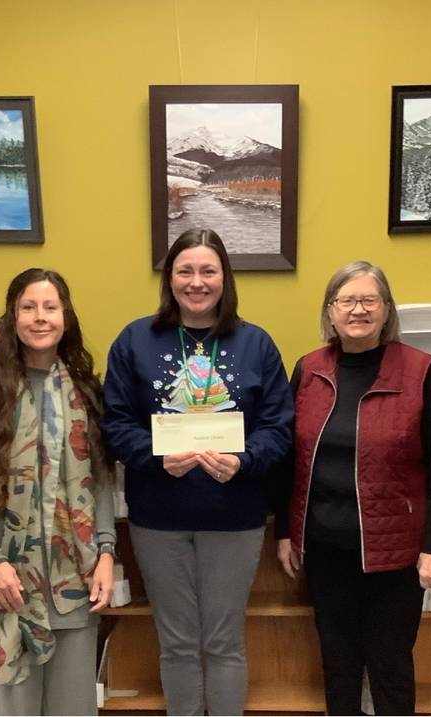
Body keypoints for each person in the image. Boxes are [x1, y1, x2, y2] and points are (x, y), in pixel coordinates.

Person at [102, 228, 293, 716]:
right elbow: (116, 424)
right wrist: (155, 456)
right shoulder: (135, 340)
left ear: (225, 278)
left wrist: (244, 461)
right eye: (185, 271)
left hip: (235, 517)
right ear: (170, 279)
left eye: (208, 271)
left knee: (224, 641)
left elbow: (279, 427)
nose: (197, 282)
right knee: (178, 643)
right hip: (159, 519)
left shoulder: (256, 344)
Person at [275, 260, 431, 715]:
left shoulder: (419, 371)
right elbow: (289, 460)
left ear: (386, 309)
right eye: (347, 300)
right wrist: (285, 531)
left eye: (369, 300)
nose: (358, 310)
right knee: (338, 665)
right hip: (324, 549)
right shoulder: (309, 370)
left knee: (390, 666)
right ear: (331, 312)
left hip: (394, 554)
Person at [0, 268, 116, 716]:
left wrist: (105, 552)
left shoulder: (85, 389)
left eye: (50, 307)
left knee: (73, 709)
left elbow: (100, 479)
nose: (39, 317)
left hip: (74, 579)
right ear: (12, 317)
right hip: (5, 582)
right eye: (28, 307)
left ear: (66, 316)